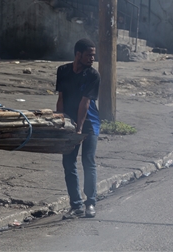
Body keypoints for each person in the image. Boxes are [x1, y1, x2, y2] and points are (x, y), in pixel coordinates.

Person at [56, 38, 100, 219]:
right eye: (89, 55)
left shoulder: (93, 75)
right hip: (69, 122)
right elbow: (61, 99)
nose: (92, 58)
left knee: (88, 161)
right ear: (78, 54)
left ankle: (90, 203)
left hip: (89, 123)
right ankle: (76, 205)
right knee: (68, 163)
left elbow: (85, 103)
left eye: (93, 55)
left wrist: (79, 129)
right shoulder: (63, 71)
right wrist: (60, 122)